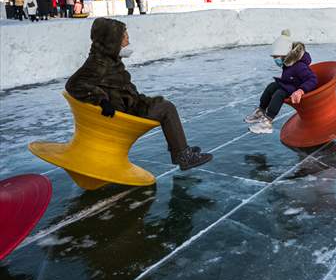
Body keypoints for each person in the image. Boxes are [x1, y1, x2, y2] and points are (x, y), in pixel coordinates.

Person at [65, 18, 212, 170]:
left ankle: (180, 151)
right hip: (123, 114)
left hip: (129, 105)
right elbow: (74, 84)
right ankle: (183, 155)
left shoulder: (108, 58)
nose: (128, 38)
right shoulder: (99, 62)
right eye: (124, 35)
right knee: (167, 108)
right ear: (112, 40)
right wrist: (102, 100)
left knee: (163, 105)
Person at [245, 29, 318, 134]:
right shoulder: (288, 63)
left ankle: (267, 122)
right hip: (291, 85)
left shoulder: (299, 66)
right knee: (271, 87)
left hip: (298, 88)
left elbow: (312, 79)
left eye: (276, 57)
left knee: (279, 93)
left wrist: (301, 91)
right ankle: (261, 111)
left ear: (285, 54)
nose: (275, 59)